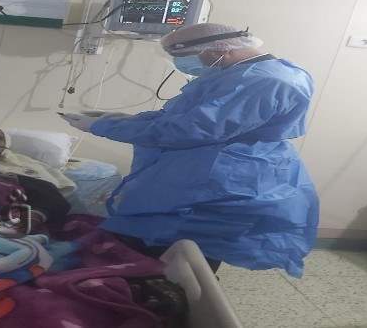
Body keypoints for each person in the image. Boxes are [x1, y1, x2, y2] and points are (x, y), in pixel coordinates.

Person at [60, 23, 319, 276]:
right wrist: (122, 120)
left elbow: (193, 128)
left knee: (193, 245)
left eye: (188, 57)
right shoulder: (238, 72)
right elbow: (182, 116)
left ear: (219, 50)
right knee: (174, 242)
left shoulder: (264, 80)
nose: (184, 64)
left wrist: (104, 127)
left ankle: (176, 293)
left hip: (228, 178)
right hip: (208, 167)